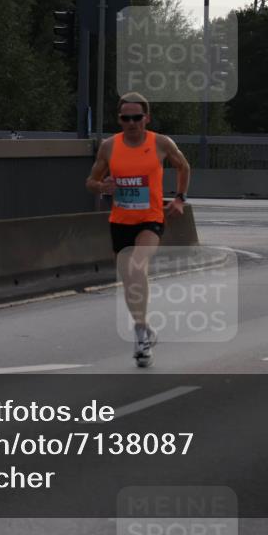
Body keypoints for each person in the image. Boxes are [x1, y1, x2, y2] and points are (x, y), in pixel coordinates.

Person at [85, 92, 191, 367]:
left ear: (146, 118)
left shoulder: (160, 143)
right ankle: (143, 328)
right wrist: (102, 186)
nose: (131, 123)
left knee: (136, 266)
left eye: (136, 117)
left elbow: (183, 166)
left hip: (150, 219)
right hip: (120, 221)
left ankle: (141, 339)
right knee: (129, 281)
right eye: (125, 118)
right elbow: (91, 181)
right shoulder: (109, 146)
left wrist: (179, 198)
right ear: (119, 119)